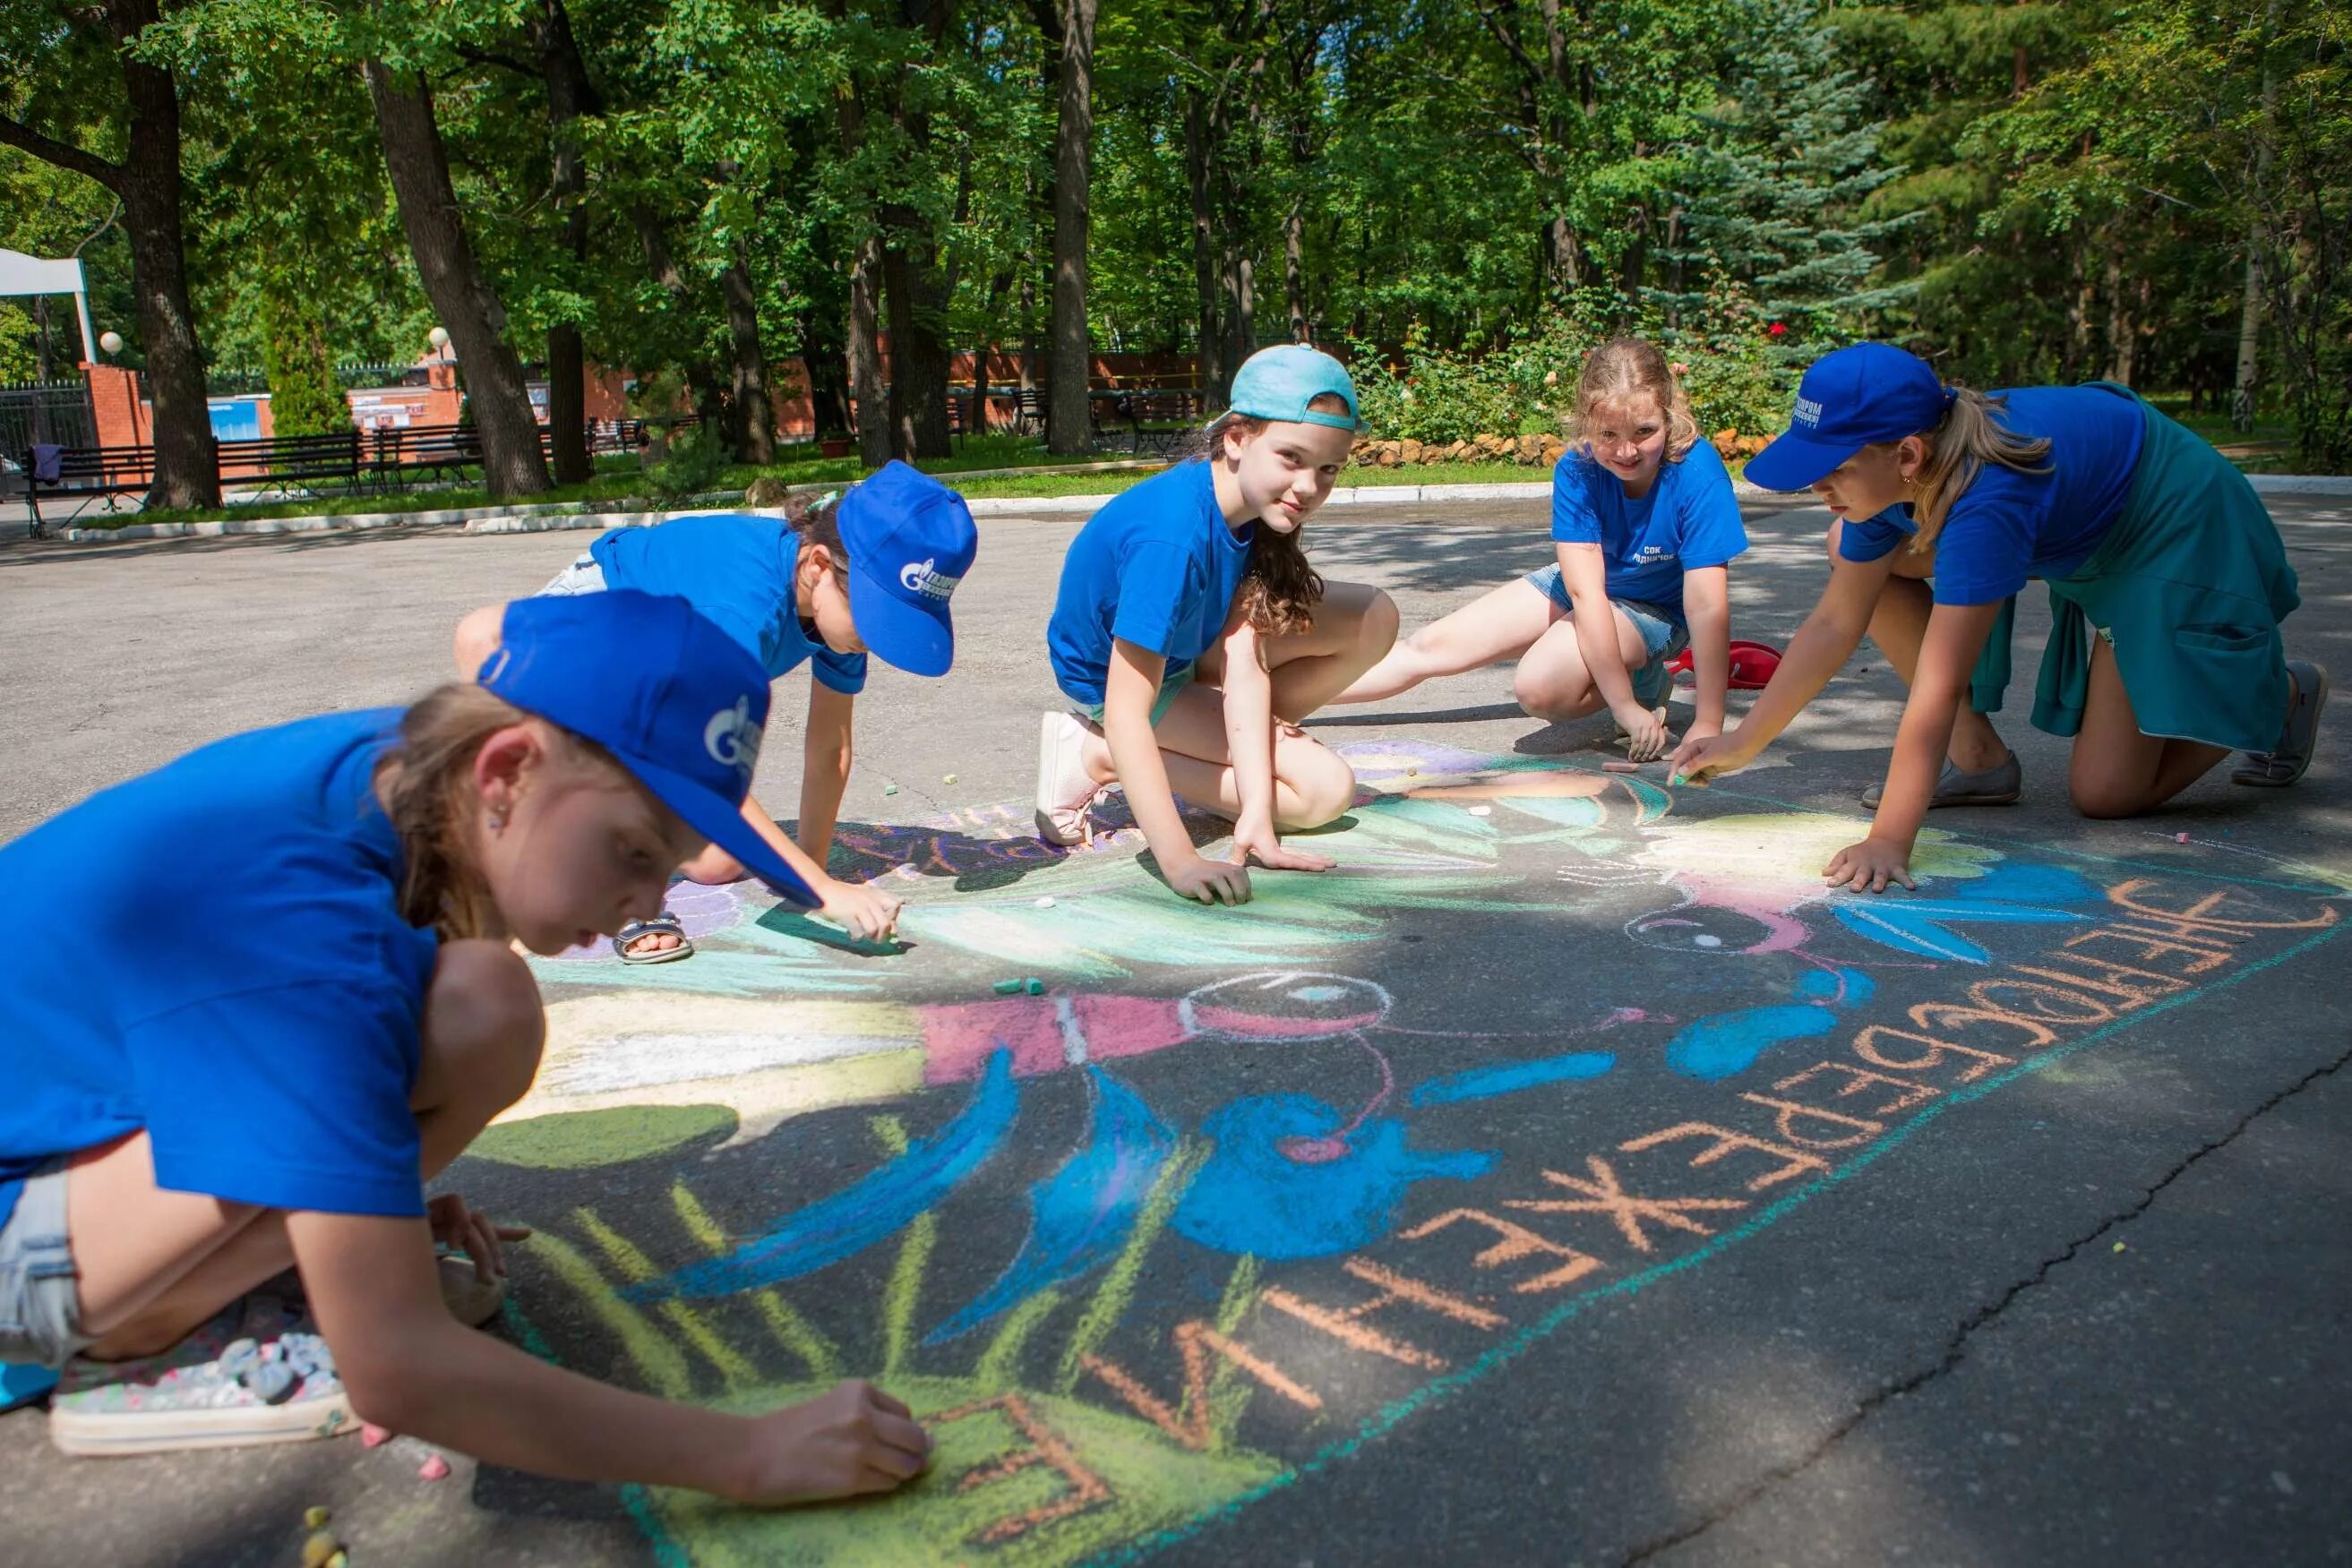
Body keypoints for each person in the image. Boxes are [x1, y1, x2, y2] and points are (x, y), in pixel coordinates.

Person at [0, 590, 932, 1500]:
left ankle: (236, 1264)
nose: (650, 906)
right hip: (19, 1242)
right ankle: (141, 1340)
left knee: (483, 1002)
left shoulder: (404, 771)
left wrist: (364, 1211)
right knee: (445, 1018)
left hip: (64, 1145)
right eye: (634, 852)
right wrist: (748, 1453)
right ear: (507, 770)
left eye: (671, 864)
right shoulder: (308, 931)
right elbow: (401, 1369)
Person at [1671, 343, 2324, 892]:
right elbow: (1833, 623)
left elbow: (1938, 687)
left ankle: (2280, 693)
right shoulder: (1899, 480)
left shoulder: (1988, 500)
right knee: (1852, 553)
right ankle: (1979, 760)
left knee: (2107, 793)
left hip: (2170, 524)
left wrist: (1890, 838)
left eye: (1834, 469)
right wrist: (1744, 740)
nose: (1819, 488)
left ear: (1906, 457)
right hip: (2085, 524)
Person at [454, 463, 977, 954]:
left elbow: (830, 748)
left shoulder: (835, 623)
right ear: (819, 565)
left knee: (721, 859)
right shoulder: (739, 608)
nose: (874, 642)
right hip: (565, 644)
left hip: (654, 669)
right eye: (873, 622)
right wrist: (822, 890)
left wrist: (809, 872)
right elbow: (694, 759)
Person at [1034, 345, 1400, 904]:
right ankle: (1095, 753)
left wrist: (1256, 810)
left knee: (1372, 617)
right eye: (1291, 458)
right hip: (1117, 686)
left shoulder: (1251, 503)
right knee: (1323, 792)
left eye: (1328, 468)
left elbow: (1245, 657)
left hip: (1184, 652)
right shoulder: (1173, 540)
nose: (1309, 486)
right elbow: (1130, 709)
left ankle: (1223, 746)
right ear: (1235, 437)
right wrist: (1180, 862)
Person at [1334, 338, 1747, 760]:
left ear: (1669, 416)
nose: (1626, 452)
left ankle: (1643, 680)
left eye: (1645, 432)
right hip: (1589, 589)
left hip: (1656, 610)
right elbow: (1586, 594)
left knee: (1541, 687)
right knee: (1430, 647)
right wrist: (1270, 707)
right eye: (1608, 434)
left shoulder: (1696, 473)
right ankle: (1287, 698)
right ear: (1587, 423)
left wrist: (1707, 721)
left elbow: (1706, 607)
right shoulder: (1579, 468)